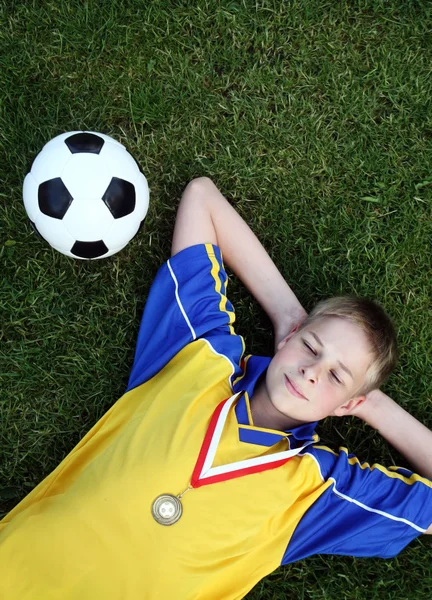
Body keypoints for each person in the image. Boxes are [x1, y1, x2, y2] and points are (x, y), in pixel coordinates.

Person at [0, 177, 431, 600]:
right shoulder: (199, 356)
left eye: (337, 377)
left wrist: (370, 405)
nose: (313, 371)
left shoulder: (317, 491)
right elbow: (202, 198)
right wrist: (287, 316)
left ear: (350, 402)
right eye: (311, 347)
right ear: (291, 336)